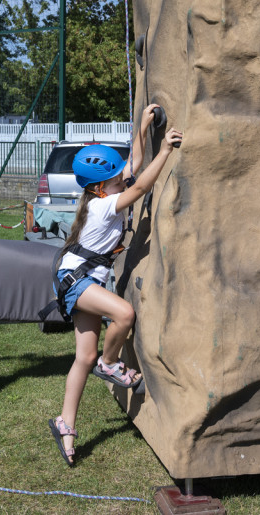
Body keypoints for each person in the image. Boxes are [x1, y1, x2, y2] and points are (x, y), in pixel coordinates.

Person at [48, 104, 182, 466]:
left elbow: (132, 168)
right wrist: (166, 150)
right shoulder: (103, 206)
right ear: (98, 187)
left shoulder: (102, 195)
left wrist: (141, 128)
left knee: (83, 357)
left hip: (77, 279)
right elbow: (139, 185)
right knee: (124, 314)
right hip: (78, 282)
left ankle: (65, 424)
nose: (119, 180)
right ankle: (110, 364)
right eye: (113, 180)